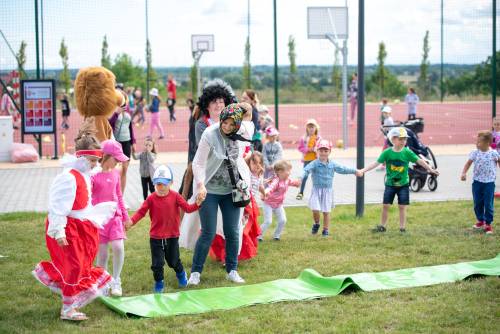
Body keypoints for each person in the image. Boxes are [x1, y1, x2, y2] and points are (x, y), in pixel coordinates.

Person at [32, 118, 116, 321]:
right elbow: (57, 207)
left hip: (81, 227)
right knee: (74, 266)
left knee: (81, 266)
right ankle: (67, 310)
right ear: (82, 157)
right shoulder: (68, 177)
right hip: (68, 228)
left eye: (97, 161)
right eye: (93, 161)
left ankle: (71, 302)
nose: (96, 165)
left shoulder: (84, 174)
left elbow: (83, 202)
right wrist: (59, 231)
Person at [186, 103, 254, 286]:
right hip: (209, 189)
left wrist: (244, 107)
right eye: (226, 123)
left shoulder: (241, 132)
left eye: (233, 124)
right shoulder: (210, 134)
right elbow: (198, 163)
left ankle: (232, 270)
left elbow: (249, 117)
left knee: (232, 231)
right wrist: (200, 184)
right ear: (221, 119)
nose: (228, 127)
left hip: (231, 191)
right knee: (207, 232)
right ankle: (195, 273)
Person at [127, 165, 203, 293]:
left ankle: (181, 273)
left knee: (173, 261)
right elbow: (141, 212)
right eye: (158, 185)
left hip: (172, 236)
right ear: (154, 184)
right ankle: (159, 282)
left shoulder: (175, 196)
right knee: (157, 264)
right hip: (156, 237)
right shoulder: (151, 198)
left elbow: (188, 208)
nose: (161, 188)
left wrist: (197, 204)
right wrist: (131, 221)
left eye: (164, 184)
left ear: (171, 183)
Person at [361, 127, 439, 233]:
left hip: (403, 185)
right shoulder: (387, 152)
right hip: (390, 184)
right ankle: (382, 226)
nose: (403, 141)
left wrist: (431, 169)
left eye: (405, 139)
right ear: (393, 139)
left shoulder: (407, 152)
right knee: (385, 205)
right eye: (400, 139)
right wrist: (363, 171)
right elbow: (376, 163)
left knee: (402, 206)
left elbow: (420, 161)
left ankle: (402, 228)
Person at [179, 79, 237, 201]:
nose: (218, 105)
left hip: (229, 175)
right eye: (214, 101)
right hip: (207, 172)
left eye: (221, 101)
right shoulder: (201, 124)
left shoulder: (233, 121)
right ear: (207, 104)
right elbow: (207, 148)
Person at [92, 140, 131, 297]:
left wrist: (126, 216)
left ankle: (116, 280)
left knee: (118, 247)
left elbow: (119, 196)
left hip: (115, 217)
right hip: (99, 220)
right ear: (106, 156)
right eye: (116, 159)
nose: (118, 162)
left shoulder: (116, 173)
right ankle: (102, 282)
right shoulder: (93, 174)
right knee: (102, 254)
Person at [210, 151, 264, 262]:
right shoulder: (246, 172)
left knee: (244, 229)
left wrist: (264, 193)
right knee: (235, 228)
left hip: (249, 203)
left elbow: (260, 186)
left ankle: (238, 253)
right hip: (241, 200)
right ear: (249, 164)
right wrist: (248, 154)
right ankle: (227, 256)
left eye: (260, 164)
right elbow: (240, 163)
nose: (257, 166)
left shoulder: (259, 175)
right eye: (255, 163)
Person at [303, 139, 363, 236]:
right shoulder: (314, 163)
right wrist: (300, 177)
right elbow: (306, 170)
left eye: (326, 151)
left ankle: (325, 230)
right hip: (316, 190)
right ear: (317, 151)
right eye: (321, 151)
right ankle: (317, 223)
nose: (323, 153)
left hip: (327, 191)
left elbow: (343, 169)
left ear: (329, 152)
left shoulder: (332, 164)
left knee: (326, 211)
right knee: (315, 209)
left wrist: (355, 171)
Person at [461, 131, 499, 235]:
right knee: (478, 202)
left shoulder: (493, 153)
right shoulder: (475, 152)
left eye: (479, 142)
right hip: (477, 182)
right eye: (476, 142)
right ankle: (480, 220)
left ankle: (488, 223)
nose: (476, 144)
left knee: (488, 204)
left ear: (487, 143)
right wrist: (464, 173)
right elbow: (468, 163)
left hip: (489, 183)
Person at [258, 160, 300, 241]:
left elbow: (293, 182)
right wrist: (265, 193)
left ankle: (276, 235)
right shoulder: (276, 180)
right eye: (288, 170)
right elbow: (271, 187)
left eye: (290, 170)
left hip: (278, 204)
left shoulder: (287, 180)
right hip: (268, 203)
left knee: (283, 220)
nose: (289, 172)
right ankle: (258, 236)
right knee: (268, 221)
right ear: (280, 172)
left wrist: (297, 184)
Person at [109, 89, 136, 194]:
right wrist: (116, 113)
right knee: (114, 170)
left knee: (124, 169)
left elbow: (130, 127)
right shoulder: (113, 110)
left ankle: (121, 197)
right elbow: (109, 124)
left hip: (127, 142)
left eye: (124, 98)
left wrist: (133, 142)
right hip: (116, 142)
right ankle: (113, 194)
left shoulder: (127, 109)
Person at [296, 119, 321, 200]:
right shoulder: (304, 138)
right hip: (307, 160)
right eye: (309, 127)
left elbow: (321, 147)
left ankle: (317, 193)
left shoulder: (318, 138)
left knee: (316, 177)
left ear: (316, 128)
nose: (311, 129)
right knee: (305, 176)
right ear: (307, 128)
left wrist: (315, 149)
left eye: (312, 127)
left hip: (316, 160)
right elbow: (300, 148)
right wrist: (307, 150)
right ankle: (301, 192)